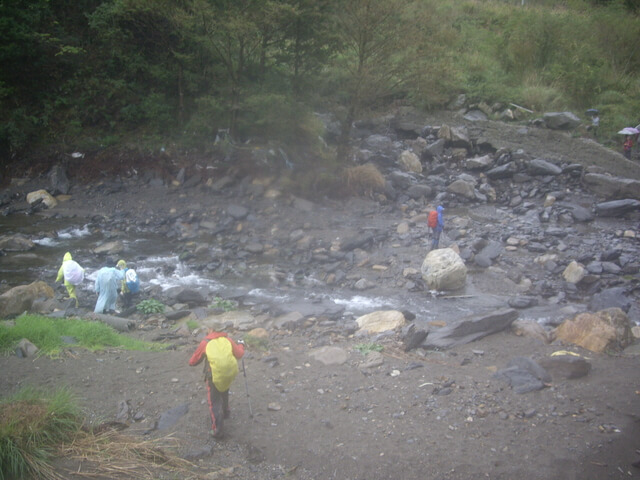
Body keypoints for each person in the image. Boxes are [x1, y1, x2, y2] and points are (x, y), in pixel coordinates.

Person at [189, 330, 245, 438]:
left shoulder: (206, 343)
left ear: (210, 330)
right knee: (224, 390)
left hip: (213, 375)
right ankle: (226, 412)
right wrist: (241, 344)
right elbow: (239, 354)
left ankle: (217, 430)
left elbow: (193, 361)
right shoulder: (228, 340)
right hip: (228, 373)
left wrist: (192, 361)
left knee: (214, 401)